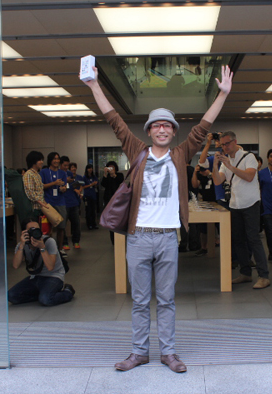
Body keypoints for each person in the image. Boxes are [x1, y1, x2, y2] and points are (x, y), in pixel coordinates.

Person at [81, 63, 233, 373]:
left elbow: (203, 126)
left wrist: (222, 95)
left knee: (166, 300)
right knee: (140, 301)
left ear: (174, 132)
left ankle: (169, 353)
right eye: (156, 126)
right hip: (138, 237)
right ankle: (139, 353)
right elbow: (114, 120)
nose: (162, 129)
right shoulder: (137, 151)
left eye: (167, 126)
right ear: (149, 131)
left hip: (167, 238)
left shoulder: (180, 154)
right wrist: (94, 84)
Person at [213, 131, 271, 289]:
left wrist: (230, 166)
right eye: (222, 145)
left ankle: (264, 276)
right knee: (238, 240)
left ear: (235, 141)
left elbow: (249, 177)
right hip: (234, 204)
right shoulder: (225, 161)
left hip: (251, 203)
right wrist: (215, 165)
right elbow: (217, 181)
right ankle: (245, 273)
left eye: (227, 143)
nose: (225, 147)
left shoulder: (248, 157)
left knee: (253, 239)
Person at [8, 218, 74, 306]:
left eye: (37, 229)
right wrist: (21, 246)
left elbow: (50, 267)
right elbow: (15, 265)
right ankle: (42, 294)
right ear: (24, 232)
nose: (34, 232)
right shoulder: (22, 244)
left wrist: (42, 247)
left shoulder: (49, 242)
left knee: (46, 300)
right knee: (11, 296)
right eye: (31, 230)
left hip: (53, 276)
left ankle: (68, 292)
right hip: (35, 277)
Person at [40, 152, 68, 255]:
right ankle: (49, 249)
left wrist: (63, 188)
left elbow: (65, 186)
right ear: (50, 160)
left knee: (61, 227)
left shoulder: (62, 173)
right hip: (48, 203)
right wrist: (54, 183)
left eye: (58, 159)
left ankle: (60, 249)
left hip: (60, 202)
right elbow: (41, 186)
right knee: (48, 229)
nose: (56, 161)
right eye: (54, 159)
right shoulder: (44, 172)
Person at [190, 164, 217, 256]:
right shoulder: (199, 175)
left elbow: (218, 181)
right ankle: (204, 247)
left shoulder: (213, 172)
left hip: (215, 200)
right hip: (204, 201)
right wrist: (195, 172)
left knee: (217, 225)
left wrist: (209, 174)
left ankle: (219, 243)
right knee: (203, 226)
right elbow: (194, 184)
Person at [61, 157, 82, 250]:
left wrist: (77, 189)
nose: (66, 167)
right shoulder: (58, 173)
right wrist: (66, 181)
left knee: (76, 223)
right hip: (63, 203)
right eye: (65, 165)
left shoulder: (69, 173)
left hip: (73, 202)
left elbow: (73, 185)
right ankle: (64, 243)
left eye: (67, 165)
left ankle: (76, 241)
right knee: (63, 225)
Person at [101, 161, 124, 244]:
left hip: (118, 200)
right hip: (108, 200)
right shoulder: (107, 176)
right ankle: (113, 240)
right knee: (110, 220)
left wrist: (114, 175)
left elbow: (121, 183)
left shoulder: (119, 175)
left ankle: (120, 239)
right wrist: (105, 174)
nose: (111, 169)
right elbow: (103, 184)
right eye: (109, 167)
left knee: (119, 220)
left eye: (112, 167)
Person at [23, 151, 48, 220]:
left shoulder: (37, 174)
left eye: (42, 160)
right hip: (34, 208)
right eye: (39, 160)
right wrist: (41, 202)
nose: (42, 162)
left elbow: (40, 191)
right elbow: (30, 192)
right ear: (33, 161)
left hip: (40, 207)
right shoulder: (29, 174)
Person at [82, 164, 99, 230]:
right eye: (89, 168)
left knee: (93, 211)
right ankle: (89, 224)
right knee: (88, 210)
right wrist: (91, 184)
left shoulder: (94, 177)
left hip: (93, 195)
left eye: (91, 168)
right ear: (87, 169)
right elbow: (83, 186)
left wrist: (95, 184)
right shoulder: (84, 177)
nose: (90, 169)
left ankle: (94, 224)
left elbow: (96, 184)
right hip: (87, 196)